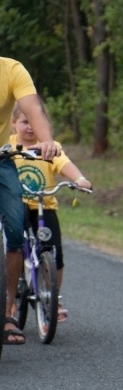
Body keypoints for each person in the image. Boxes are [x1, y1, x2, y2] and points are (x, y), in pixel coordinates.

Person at [10, 100, 93, 323]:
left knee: (54, 252)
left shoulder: (49, 147)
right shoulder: (8, 147)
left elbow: (64, 163)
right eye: (24, 122)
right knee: (11, 248)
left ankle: (52, 297)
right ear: (13, 123)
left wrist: (80, 179)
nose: (30, 128)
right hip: (16, 205)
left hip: (43, 206)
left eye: (34, 122)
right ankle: (8, 300)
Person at [1, 57, 60, 345]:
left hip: (1, 160)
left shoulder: (11, 70)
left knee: (15, 229)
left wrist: (47, 139)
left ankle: (9, 310)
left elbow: (33, 108)